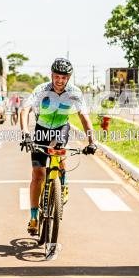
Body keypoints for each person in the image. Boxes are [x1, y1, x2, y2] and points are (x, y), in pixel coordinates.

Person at [19, 58, 97, 236]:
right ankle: (33, 218)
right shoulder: (42, 89)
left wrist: (92, 142)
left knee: (58, 151)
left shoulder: (74, 92)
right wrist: (25, 133)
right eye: (56, 76)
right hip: (41, 129)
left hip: (61, 128)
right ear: (51, 75)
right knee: (38, 174)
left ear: (68, 78)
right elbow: (25, 110)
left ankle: (63, 182)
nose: (59, 80)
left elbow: (84, 117)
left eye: (63, 77)